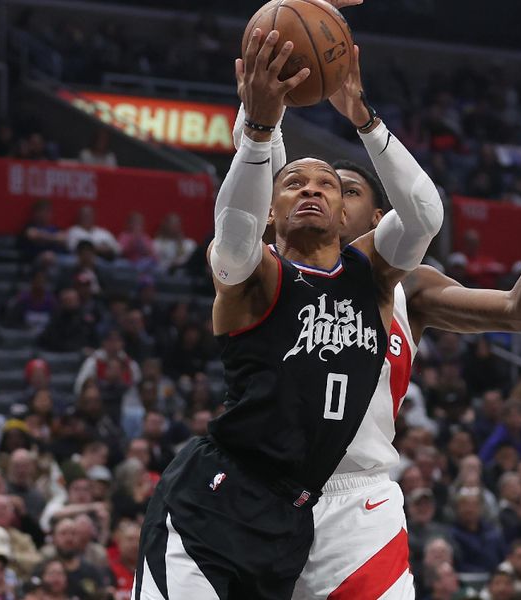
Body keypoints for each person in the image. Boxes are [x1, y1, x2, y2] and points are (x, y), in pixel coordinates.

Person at [277, 45, 521, 600]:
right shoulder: (272, 271)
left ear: (379, 219)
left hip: (358, 497)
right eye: (320, 187)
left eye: (348, 190)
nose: (328, 197)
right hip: (266, 492)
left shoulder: (410, 284)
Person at [134, 28, 442, 600]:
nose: (314, 190)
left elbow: (424, 214)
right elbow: (236, 230)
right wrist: (257, 130)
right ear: (272, 212)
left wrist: (363, 117)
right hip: (219, 498)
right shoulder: (255, 274)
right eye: (294, 181)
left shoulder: (370, 272)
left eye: (329, 183)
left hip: (295, 515)